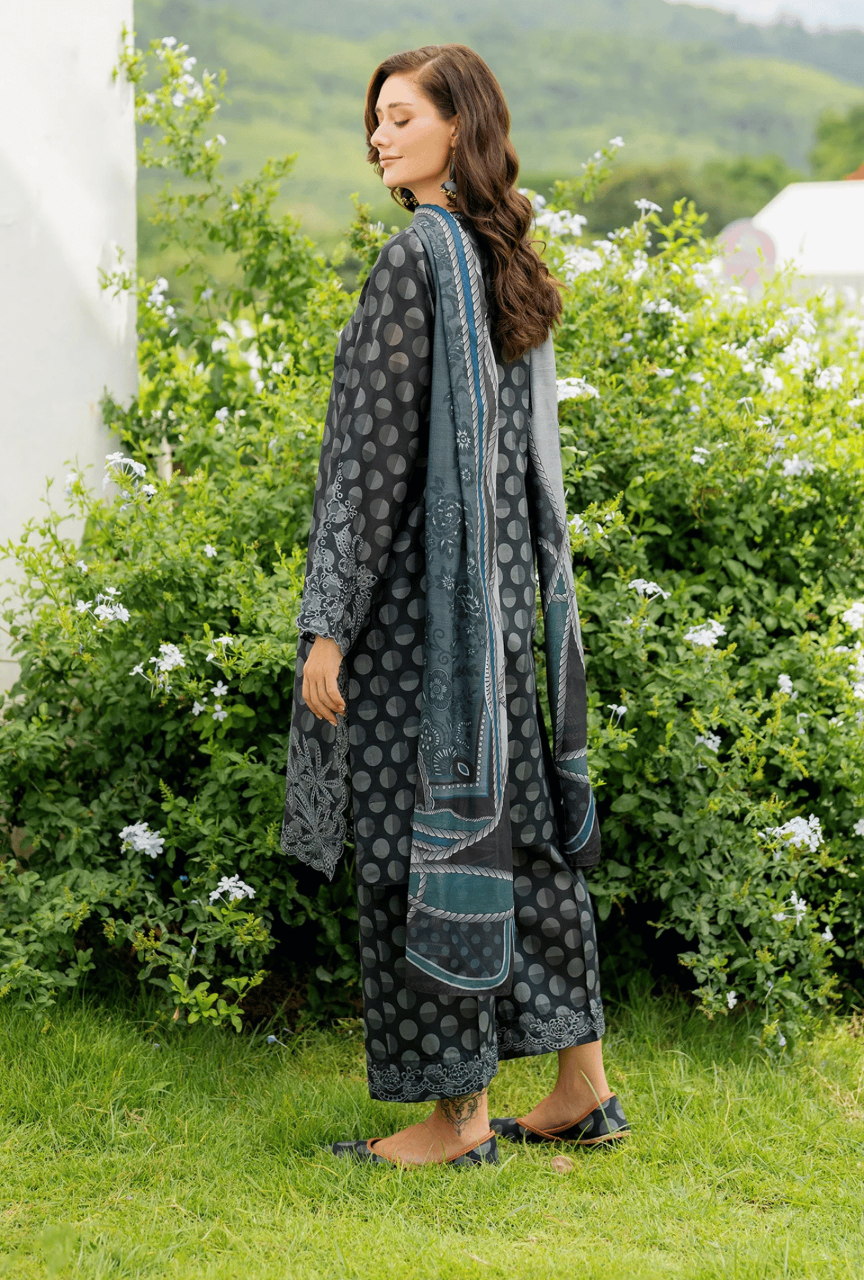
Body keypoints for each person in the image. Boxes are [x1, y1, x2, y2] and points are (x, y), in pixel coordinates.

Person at [281, 42, 630, 1167]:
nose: (378, 136)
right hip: (499, 609)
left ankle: (457, 1117)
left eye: (400, 117)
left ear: (457, 129)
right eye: (375, 119)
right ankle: (582, 1086)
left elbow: (369, 462)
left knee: (414, 845)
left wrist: (329, 624)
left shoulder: (413, 262)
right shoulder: (503, 259)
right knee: (519, 840)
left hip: (418, 626)